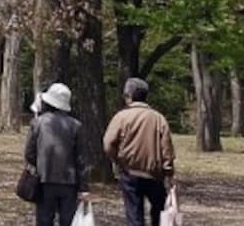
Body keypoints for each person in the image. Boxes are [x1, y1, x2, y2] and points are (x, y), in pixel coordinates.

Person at [104, 78, 176, 226]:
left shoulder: (121, 117)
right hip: (155, 175)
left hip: (130, 172)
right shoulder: (158, 118)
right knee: (158, 212)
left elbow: (108, 143)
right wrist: (168, 171)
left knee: (134, 214)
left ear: (128, 96)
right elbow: (166, 148)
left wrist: (117, 160)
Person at [24, 83, 89, 226]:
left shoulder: (38, 123)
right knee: (68, 221)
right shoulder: (76, 125)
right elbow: (81, 160)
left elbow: (29, 153)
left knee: (44, 220)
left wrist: (39, 164)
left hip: (44, 180)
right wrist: (84, 187)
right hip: (69, 183)